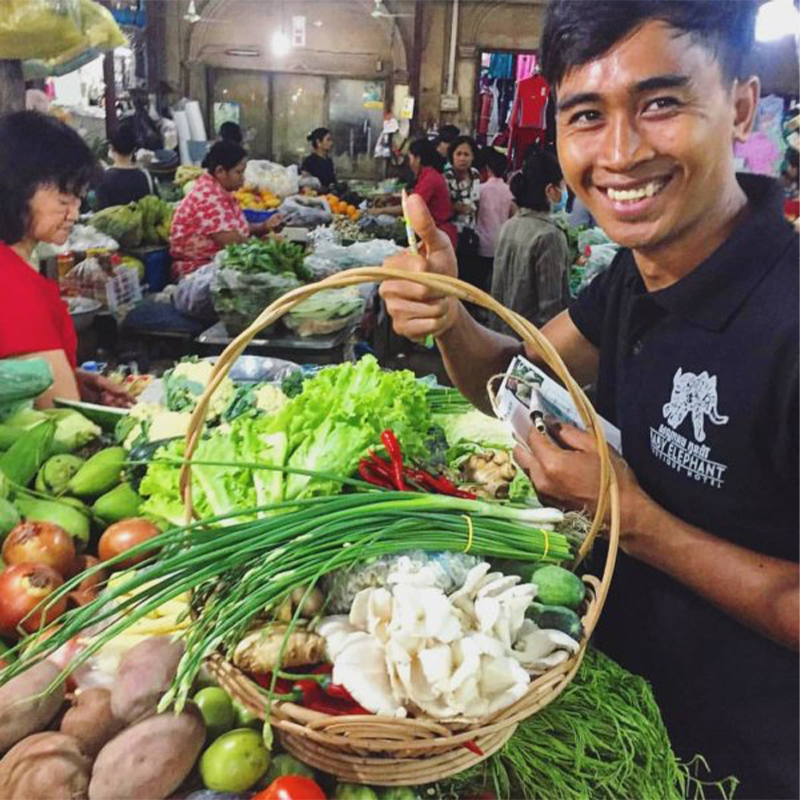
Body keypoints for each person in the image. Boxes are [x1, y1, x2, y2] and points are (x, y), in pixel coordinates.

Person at [379, 3, 798, 798]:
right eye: (585, 115)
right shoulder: (635, 277)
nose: (620, 153)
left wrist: (630, 518)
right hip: (615, 722)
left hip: (746, 766)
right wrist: (450, 317)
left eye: (661, 103)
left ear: (742, 106)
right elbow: (511, 375)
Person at [0, 111, 132, 408]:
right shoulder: (11, 285)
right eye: (64, 200)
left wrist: (74, 380)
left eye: (78, 199)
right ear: (18, 191)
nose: (74, 213)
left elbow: (14, 379)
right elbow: (62, 415)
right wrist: (70, 392)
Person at [170, 140, 282, 280]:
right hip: (199, 272)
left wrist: (264, 226)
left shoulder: (222, 192)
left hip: (218, 264)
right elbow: (233, 242)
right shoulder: (208, 197)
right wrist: (272, 249)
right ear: (220, 171)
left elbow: (237, 229)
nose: (243, 178)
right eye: (238, 172)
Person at [490, 151, 569, 332]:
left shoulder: (509, 225)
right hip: (530, 338)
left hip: (500, 333)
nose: (565, 192)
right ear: (550, 190)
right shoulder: (550, 236)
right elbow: (551, 307)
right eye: (563, 186)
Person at [366, 139, 457, 249]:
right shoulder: (427, 175)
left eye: (410, 158)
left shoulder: (430, 178)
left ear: (418, 159)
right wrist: (390, 198)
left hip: (440, 235)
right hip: (434, 232)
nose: (409, 163)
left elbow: (409, 208)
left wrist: (378, 211)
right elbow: (413, 196)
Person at [444, 136, 484, 289]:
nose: (462, 158)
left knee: (469, 277)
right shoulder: (446, 177)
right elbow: (444, 204)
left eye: (466, 154)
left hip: (471, 233)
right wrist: (457, 207)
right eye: (458, 154)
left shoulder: (475, 175)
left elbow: (477, 202)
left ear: (473, 157)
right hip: (451, 236)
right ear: (452, 156)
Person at [475, 147, 515, 287]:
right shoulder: (509, 191)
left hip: (482, 243)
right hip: (502, 243)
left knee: (479, 282)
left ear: (487, 168)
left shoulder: (480, 190)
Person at [95, 124, 154, 210]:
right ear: (134, 149)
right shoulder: (144, 177)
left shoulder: (103, 178)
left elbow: (101, 210)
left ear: (111, 148)